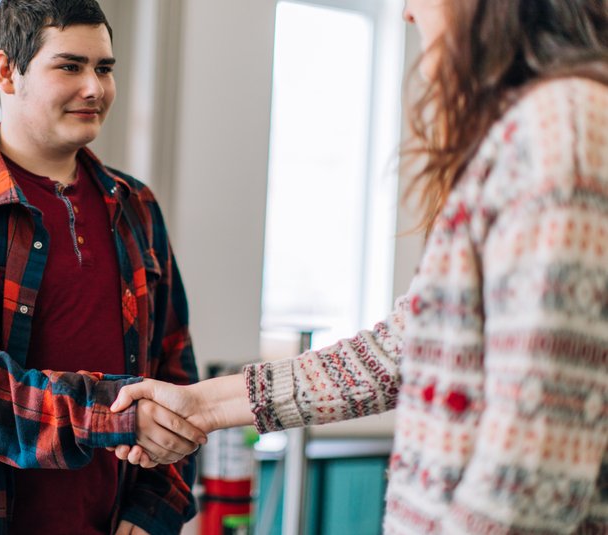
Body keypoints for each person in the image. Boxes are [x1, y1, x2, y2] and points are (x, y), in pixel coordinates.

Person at [111, 0, 608, 533]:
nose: (409, 15)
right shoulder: (534, 127)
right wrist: (203, 405)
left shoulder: (563, 128)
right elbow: (399, 347)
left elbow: (531, 463)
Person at [0, 1, 204, 533]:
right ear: (8, 71)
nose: (95, 88)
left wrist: (154, 511)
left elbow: (173, 364)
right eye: (70, 66)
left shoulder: (137, 205)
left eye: (104, 68)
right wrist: (110, 415)